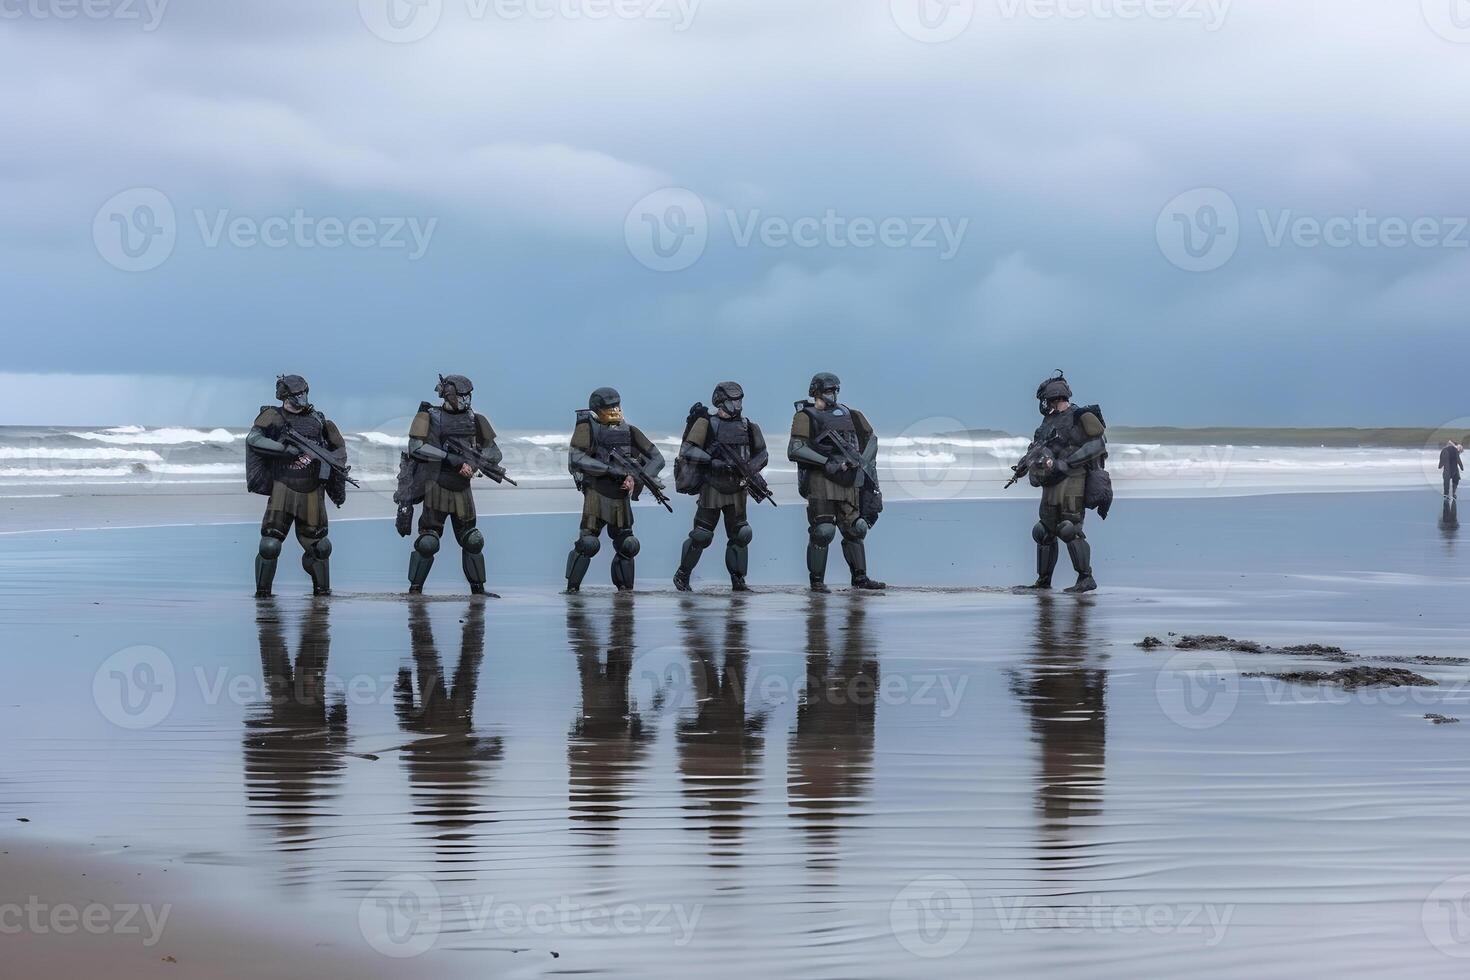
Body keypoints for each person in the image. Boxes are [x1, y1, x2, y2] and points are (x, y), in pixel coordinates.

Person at [244, 375, 347, 597]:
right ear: (285, 395)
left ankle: (322, 593)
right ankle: (263, 595)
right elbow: (253, 439)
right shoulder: (272, 415)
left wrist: (329, 459)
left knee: (320, 547)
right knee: (269, 546)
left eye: (304, 392)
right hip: (283, 488)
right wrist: (283, 450)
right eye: (297, 394)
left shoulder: (319, 420)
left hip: (312, 491)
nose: (302, 397)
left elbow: (339, 450)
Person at [403, 375, 501, 595]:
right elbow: (416, 447)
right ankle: (415, 590)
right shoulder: (428, 416)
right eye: (462, 395)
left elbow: (495, 452)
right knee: (428, 542)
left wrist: (473, 462)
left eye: (469, 395)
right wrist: (451, 459)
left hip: (463, 489)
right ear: (449, 394)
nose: (467, 400)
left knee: (473, 540)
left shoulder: (476, 419)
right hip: (436, 486)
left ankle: (478, 590)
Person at [787, 372, 885, 592]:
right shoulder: (805, 416)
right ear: (816, 392)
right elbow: (795, 449)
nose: (832, 394)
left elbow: (871, 440)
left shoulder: (852, 414)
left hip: (849, 480)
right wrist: (827, 461)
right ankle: (817, 582)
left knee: (856, 529)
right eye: (828, 390)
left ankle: (860, 578)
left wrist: (861, 462)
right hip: (821, 481)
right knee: (823, 531)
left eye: (835, 390)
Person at [565, 387, 666, 593]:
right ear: (597, 409)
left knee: (628, 544)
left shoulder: (628, 431)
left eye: (616, 405)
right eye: (608, 407)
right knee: (589, 543)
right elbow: (576, 457)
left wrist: (636, 477)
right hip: (596, 492)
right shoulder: (587, 427)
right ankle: (572, 589)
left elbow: (657, 458)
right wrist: (609, 470)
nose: (614, 410)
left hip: (621, 495)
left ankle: (625, 589)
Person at [673, 381, 769, 592]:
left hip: (738, 487)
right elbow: (688, 450)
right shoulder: (706, 423)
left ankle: (738, 580)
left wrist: (749, 468)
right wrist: (712, 461)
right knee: (702, 535)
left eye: (738, 400)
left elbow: (762, 454)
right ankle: (682, 575)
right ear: (720, 401)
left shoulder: (748, 426)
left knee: (741, 534)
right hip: (712, 487)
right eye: (732, 400)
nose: (736, 404)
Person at [1026, 371, 1106, 594]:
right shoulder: (1048, 421)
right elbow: (1038, 447)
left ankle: (1086, 578)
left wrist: (1068, 462)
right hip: (1050, 480)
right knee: (1044, 530)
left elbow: (1098, 444)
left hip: (1073, 479)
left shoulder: (1081, 416)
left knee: (1069, 528)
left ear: (1053, 397)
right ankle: (1043, 581)